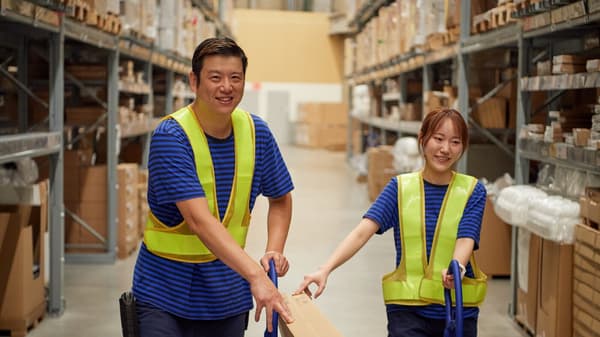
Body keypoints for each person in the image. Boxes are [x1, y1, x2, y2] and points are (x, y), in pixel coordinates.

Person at [131, 37, 294, 337]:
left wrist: (274, 249)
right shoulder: (172, 136)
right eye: (215, 77)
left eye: (236, 78)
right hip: (165, 295)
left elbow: (281, 197)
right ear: (194, 81)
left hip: (226, 297)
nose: (227, 87)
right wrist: (257, 276)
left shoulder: (257, 132)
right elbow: (198, 221)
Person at [295, 108, 488, 337]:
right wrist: (325, 269)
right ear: (422, 138)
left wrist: (457, 267)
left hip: (457, 311)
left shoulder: (472, 191)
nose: (445, 149)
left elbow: (466, 238)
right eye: (438, 139)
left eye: (455, 142)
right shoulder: (400, 188)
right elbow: (362, 232)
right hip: (407, 314)